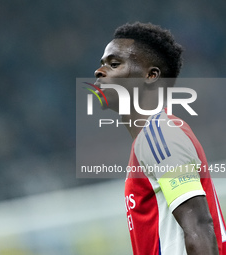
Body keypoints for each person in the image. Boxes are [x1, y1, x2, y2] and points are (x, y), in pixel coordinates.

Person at [94, 22, 226, 255]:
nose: (99, 71)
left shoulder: (160, 135)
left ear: (151, 75)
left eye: (114, 64)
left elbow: (199, 226)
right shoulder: (151, 138)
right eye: (102, 64)